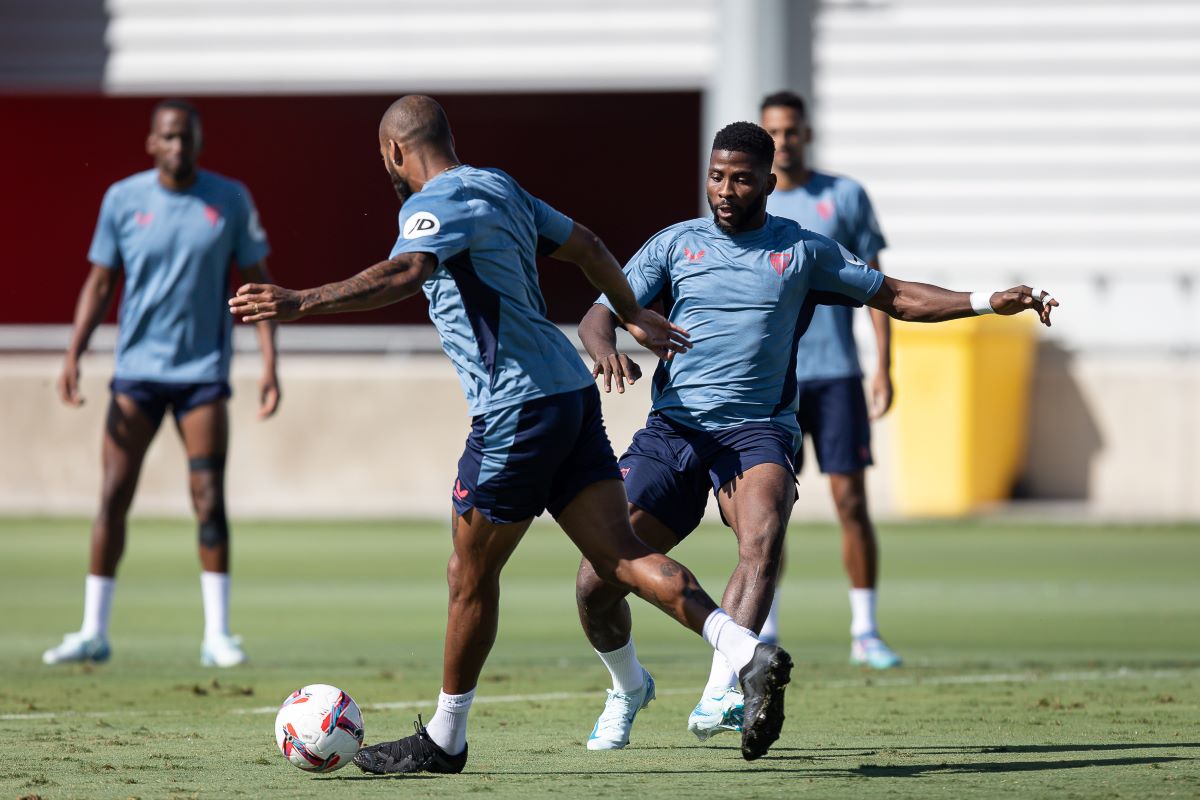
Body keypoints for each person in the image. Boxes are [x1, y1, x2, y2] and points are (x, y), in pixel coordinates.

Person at [228, 95, 793, 772]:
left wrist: (301, 300)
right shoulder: (501, 186)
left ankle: (446, 738)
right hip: (570, 395)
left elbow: (407, 271)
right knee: (618, 554)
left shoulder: (430, 205)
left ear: (395, 153)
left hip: (516, 410)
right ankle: (744, 650)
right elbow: (588, 246)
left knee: (468, 572)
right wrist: (631, 310)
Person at [574, 121, 1057, 748]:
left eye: (741, 179)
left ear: (768, 183)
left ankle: (723, 688)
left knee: (762, 536)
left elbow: (896, 296)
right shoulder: (675, 245)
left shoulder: (802, 251)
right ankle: (628, 686)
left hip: (757, 431)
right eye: (717, 177)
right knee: (596, 580)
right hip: (674, 431)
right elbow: (599, 314)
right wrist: (605, 349)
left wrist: (988, 301)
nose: (725, 190)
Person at [44, 99, 280, 669]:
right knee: (113, 495)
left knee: (208, 497)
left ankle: (217, 635)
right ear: (152, 143)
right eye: (168, 137)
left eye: (186, 137)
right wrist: (74, 353)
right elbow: (100, 283)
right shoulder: (123, 200)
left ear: (199, 143)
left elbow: (258, 283)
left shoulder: (229, 200)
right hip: (137, 375)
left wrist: (270, 362)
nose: (178, 146)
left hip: (201, 375)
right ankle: (93, 630)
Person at [758, 89, 899, 668]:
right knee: (766, 510)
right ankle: (762, 633)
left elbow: (878, 285)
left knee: (850, 501)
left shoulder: (844, 196)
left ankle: (865, 631)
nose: (783, 142)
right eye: (772, 132)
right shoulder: (748, 199)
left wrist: (884, 365)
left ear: (806, 134)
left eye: (791, 131)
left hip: (837, 374)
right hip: (773, 380)